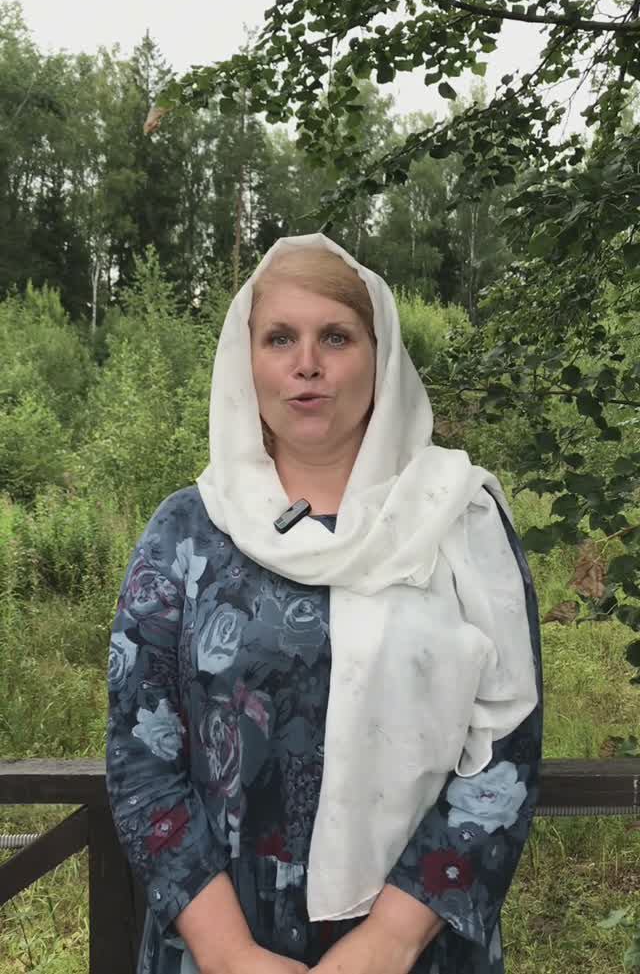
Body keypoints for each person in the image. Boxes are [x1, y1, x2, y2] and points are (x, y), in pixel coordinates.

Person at [106, 232, 543, 974]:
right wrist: (229, 952)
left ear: (381, 355)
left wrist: (389, 942)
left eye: (335, 337)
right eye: (280, 337)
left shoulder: (459, 519)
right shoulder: (186, 532)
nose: (306, 362)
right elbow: (141, 756)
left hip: (420, 943)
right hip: (219, 940)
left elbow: (508, 748)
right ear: (246, 361)